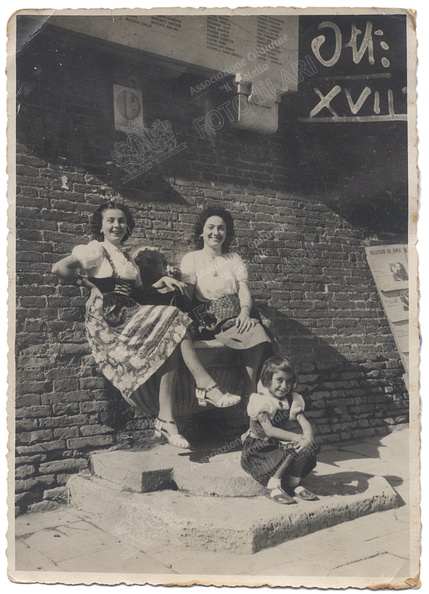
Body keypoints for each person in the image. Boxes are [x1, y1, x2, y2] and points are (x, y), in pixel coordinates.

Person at [51, 201, 241, 450]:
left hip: (131, 312)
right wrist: (91, 286)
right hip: (110, 319)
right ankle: (205, 386)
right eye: (111, 221)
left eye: (121, 221)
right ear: (101, 226)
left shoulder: (127, 259)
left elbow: (141, 294)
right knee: (174, 317)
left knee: (171, 336)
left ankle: (166, 419)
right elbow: (59, 268)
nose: (117, 225)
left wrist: (162, 281)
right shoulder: (96, 250)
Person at [180, 206, 274, 397]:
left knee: (256, 331)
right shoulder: (192, 259)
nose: (216, 233)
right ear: (201, 231)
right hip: (208, 316)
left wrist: (245, 313)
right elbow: (187, 295)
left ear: (227, 232)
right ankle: (246, 392)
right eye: (211, 227)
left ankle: (251, 391)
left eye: (221, 228)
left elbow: (243, 288)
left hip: (236, 312)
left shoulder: (233, 258)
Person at [241, 356, 319, 504]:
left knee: (305, 446)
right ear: (267, 379)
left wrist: (307, 438)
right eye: (280, 380)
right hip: (259, 448)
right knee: (292, 446)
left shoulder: (292, 399)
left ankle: (294, 482)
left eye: (288, 381)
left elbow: (305, 423)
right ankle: (274, 486)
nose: (284, 386)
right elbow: (269, 430)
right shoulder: (260, 400)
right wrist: (296, 437)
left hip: (276, 445)